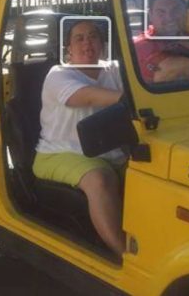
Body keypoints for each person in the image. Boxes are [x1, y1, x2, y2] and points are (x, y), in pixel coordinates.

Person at [33, 19, 126, 256]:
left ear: (102, 44)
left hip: (112, 154)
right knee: (100, 180)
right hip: (59, 153)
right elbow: (85, 97)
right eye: (79, 38)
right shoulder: (58, 74)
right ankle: (123, 255)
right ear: (69, 49)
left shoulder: (114, 70)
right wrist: (130, 99)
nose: (87, 43)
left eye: (93, 36)